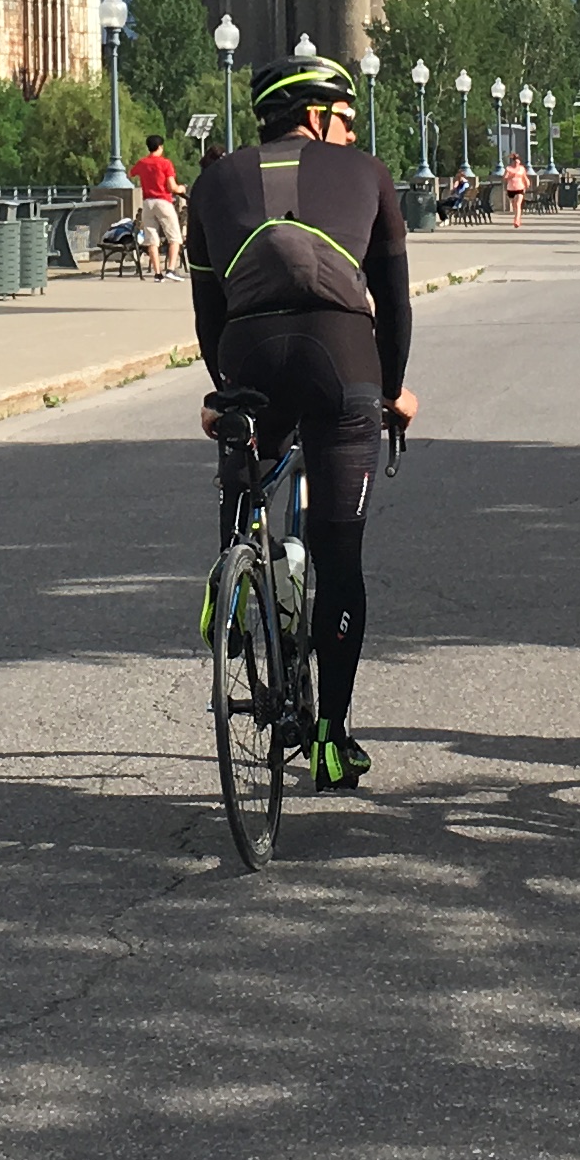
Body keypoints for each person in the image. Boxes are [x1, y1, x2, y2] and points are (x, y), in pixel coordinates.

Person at [188, 53, 416, 791]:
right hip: (343, 360)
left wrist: (223, 391)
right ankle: (331, 736)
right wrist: (394, 391)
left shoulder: (212, 182)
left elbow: (207, 312)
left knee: (248, 463)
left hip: (248, 354)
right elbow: (397, 306)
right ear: (317, 116)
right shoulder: (371, 175)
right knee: (340, 560)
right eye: (344, 119)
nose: (349, 132)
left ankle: (231, 566)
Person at [131, 134, 182, 277]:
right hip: (163, 201)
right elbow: (172, 187)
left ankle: (157, 273)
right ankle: (171, 269)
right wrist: (181, 189)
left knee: (151, 238)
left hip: (148, 202)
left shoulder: (142, 163)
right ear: (160, 147)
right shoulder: (165, 164)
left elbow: (132, 173)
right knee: (174, 237)